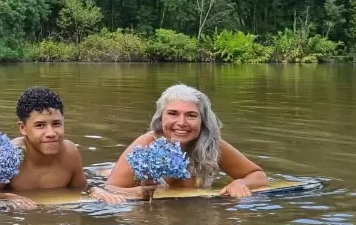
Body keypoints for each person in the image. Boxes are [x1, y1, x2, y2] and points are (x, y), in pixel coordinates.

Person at [105, 84, 269, 198]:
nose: (182, 122)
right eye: (173, 113)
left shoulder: (212, 145)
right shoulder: (146, 144)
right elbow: (109, 189)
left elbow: (259, 176)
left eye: (191, 115)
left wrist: (241, 184)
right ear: (161, 118)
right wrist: (140, 192)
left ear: (202, 121)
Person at [0, 86, 125, 204]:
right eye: (40, 125)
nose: (51, 133)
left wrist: (95, 189)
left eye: (56, 124)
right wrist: (5, 197)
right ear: (23, 128)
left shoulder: (70, 152)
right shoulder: (10, 156)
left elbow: (81, 188)